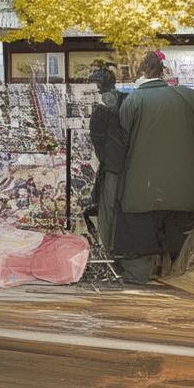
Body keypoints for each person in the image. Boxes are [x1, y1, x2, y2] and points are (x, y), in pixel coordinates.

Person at [115, 50, 194, 284]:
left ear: (140, 73)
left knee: (141, 248)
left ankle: (142, 279)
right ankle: (178, 279)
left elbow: (120, 147)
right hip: (189, 191)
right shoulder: (193, 98)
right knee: (182, 249)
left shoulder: (133, 101)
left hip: (140, 193)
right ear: (162, 71)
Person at [86, 62, 127, 254]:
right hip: (123, 164)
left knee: (108, 209)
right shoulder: (126, 101)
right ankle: (114, 247)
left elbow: (98, 140)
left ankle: (109, 248)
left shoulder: (102, 110)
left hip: (112, 165)